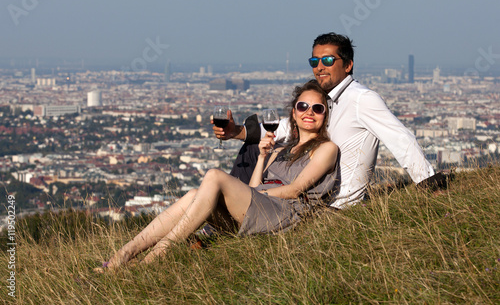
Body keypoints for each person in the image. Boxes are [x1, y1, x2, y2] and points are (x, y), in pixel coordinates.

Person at [97, 80, 339, 270]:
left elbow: (294, 190)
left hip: (286, 215)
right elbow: (256, 184)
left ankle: (156, 256)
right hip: (262, 208)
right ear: (294, 113)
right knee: (193, 194)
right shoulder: (281, 148)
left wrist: (252, 192)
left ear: (324, 115)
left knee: (214, 176)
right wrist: (263, 157)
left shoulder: (326, 148)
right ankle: (124, 254)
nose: (309, 112)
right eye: (302, 106)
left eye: (317, 108)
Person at [214, 32, 442, 210]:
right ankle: (231, 214)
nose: (319, 67)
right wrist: (238, 131)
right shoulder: (329, 98)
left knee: (254, 152)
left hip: (334, 203)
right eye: (314, 61)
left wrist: (429, 183)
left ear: (348, 65)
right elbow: (287, 127)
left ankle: (229, 217)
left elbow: (400, 138)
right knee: (254, 147)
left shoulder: (362, 99)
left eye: (328, 60)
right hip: (314, 190)